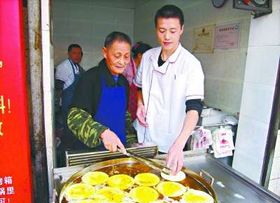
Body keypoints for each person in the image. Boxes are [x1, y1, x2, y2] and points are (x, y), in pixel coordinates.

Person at [134, 5, 204, 175]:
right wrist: (139, 104)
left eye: (172, 31)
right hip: (144, 135)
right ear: (156, 30)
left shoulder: (191, 64)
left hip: (171, 141)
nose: (166, 36)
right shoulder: (148, 57)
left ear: (181, 30)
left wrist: (179, 144)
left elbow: (194, 108)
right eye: (162, 30)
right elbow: (138, 86)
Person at [67, 31, 137, 153]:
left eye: (126, 56)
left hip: (120, 150)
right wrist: (102, 133)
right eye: (117, 55)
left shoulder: (124, 82)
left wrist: (131, 142)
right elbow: (74, 118)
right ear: (105, 52)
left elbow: (124, 116)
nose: (122, 62)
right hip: (94, 153)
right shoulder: (90, 79)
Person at [55, 44, 84, 129]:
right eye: (74, 53)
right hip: (67, 103)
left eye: (79, 53)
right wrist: (57, 107)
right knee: (68, 127)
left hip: (76, 103)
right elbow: (58, 88)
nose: (77, 56)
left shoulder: (78, 67)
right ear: (69, 54)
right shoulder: (63, 67)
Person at [123, 42, 152, 121]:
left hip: (138, 99)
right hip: (126, 98)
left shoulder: (145, 67)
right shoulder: (126, 65)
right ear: (140, 55)